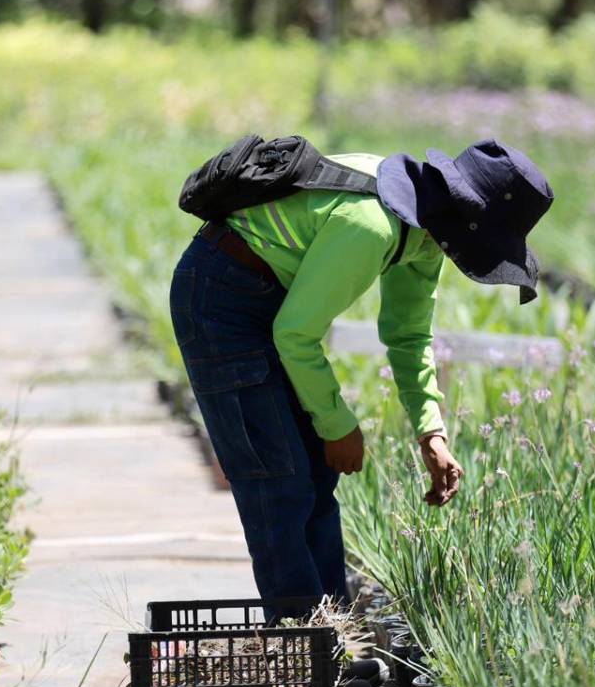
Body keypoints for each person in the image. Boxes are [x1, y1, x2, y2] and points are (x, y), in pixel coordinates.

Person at [168, 139, 554, 612]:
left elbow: (408, 335)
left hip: (267, 298)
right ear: (467, 221)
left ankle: (330, 634)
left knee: (315, 476)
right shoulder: (369, 225)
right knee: (279, 481)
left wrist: (430, 430)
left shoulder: (424, 223)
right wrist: (338, 425)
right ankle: (299, 642)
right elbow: (295, 334)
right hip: (220, 302)